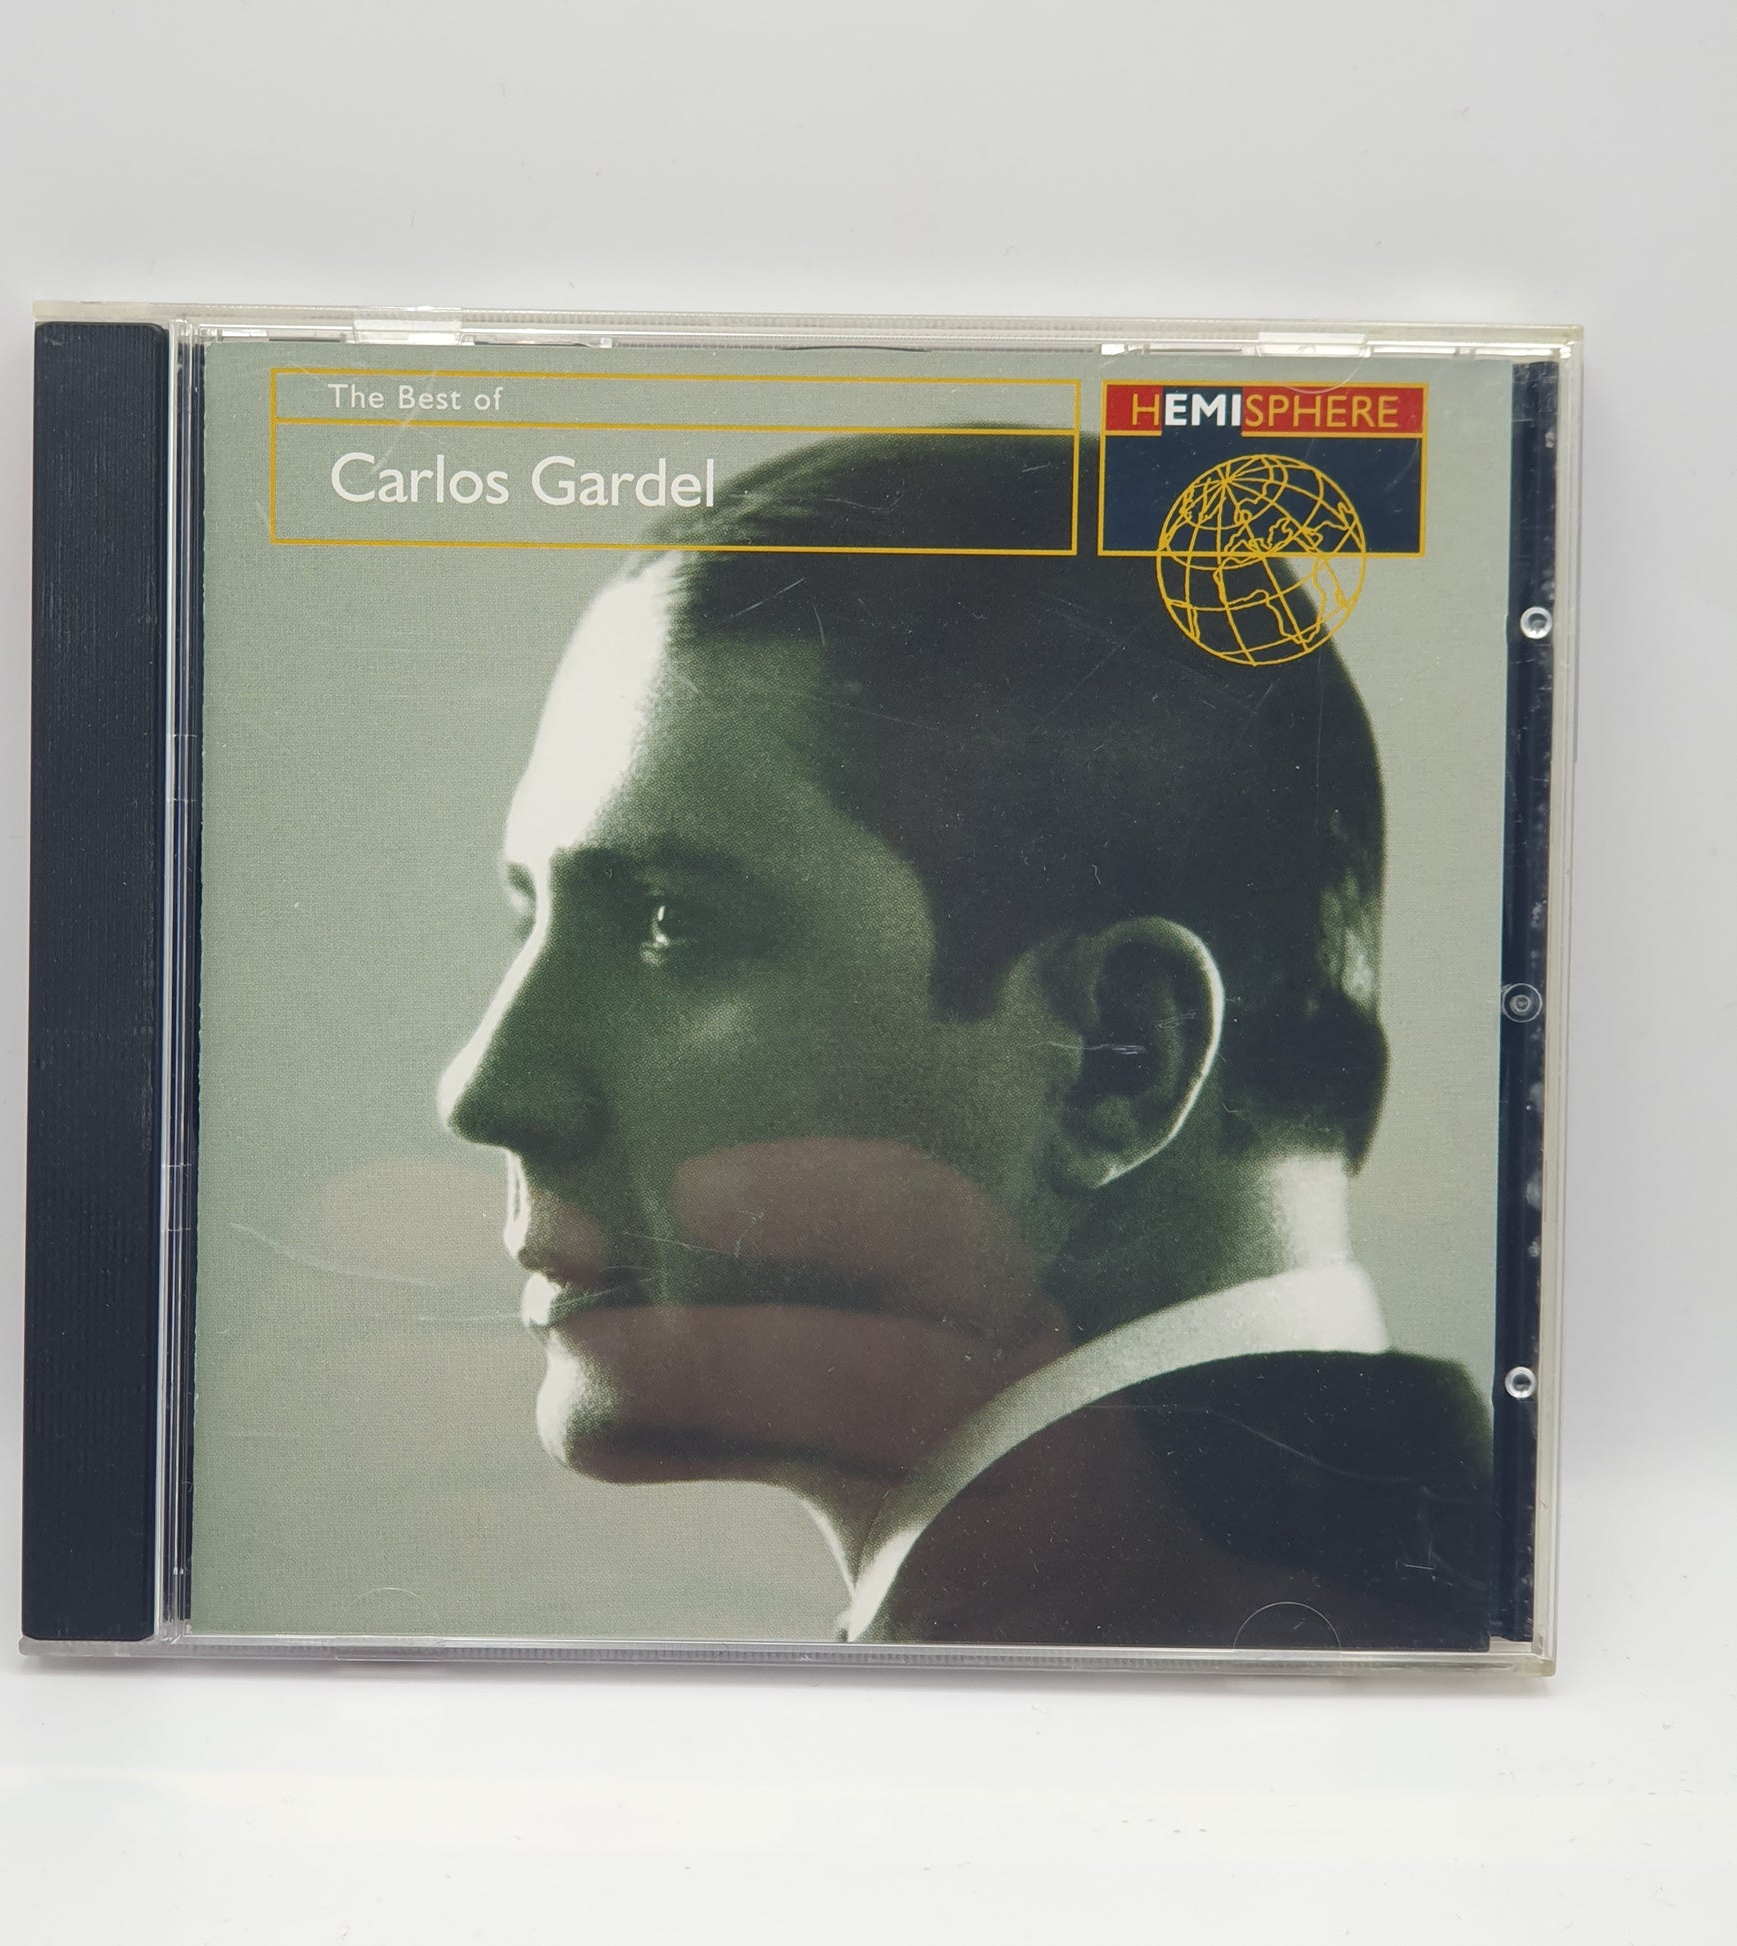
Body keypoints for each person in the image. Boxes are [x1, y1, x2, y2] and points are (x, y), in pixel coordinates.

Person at [440, 432, 1490, 1650]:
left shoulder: (1161, 1645)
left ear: (1116, 1057)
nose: (486, 1087)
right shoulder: (1382, 1576)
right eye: (528, 917)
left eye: (673, 922)